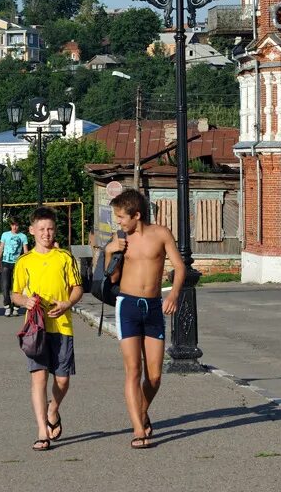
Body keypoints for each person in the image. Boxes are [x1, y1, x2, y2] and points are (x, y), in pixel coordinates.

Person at [104, 188, 185, 448]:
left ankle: (141, 411)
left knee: (154, 376)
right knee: (133, 370)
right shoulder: (120, 240)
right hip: (126, 305)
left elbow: (180, 267)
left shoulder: (160, 234)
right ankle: (138, 429)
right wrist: (109, 252)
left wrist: (173, 295)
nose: (118, 222)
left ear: (136, 215)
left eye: (121, 217)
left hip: (152, 306)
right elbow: (112, 278)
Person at [11, 206, 83, 452]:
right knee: (38, 378)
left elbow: (77, 288)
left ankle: (53, 409)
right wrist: (25, 301)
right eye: (41, 229)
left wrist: (67, 303)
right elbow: (15, 294)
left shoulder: (65, 257)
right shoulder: (25, 262)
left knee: (62, 380)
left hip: (62, 326)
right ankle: (42, 431)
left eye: (50, 228)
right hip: (36, 329)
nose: (46, 233)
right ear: (32, 231)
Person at [0, 220, 29, 316]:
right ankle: (7, 306)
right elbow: (1, 248)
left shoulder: (23, 236)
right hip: (6, 262)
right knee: (5, 285)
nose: (15, 227)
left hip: (18, 263)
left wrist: (27, 263)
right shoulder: (5, 235)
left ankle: (16, 306)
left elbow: (25, 251)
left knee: (17, 286)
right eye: (13, 225)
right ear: (10, 225)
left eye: (17, 225)